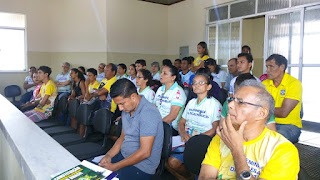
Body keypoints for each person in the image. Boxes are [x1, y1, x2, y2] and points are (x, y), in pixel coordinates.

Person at [199, 80, 300, 180]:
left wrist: (237, 150)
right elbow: (205, 177)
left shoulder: (282, 150)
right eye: (232, 99)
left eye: (240, 102)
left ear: (261, 113)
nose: (230, 105)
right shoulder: (222, 137)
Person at [99, 79, 164, 180]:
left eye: (122, 104)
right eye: (118, 105)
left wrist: (115, 166)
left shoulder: (148, 113)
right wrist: (108, 156)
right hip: (125, 156)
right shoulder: (127, 109)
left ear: (133, 96)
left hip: (142, 166)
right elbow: (122, 138)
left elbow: (145, 152)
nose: (120, 109)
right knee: (97, 173)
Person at [166, 71, 222, 179]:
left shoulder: (214, 104)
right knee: (166, 161)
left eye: (201, 82)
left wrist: (196, 140)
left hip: (201, 143)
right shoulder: (191, 102)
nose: (196, 85)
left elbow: (215, 129)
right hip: (186, 139)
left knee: (173, 162)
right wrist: (182, 133)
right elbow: (181, 122)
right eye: (194, 82)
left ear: (209, 86)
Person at [263, 54, 303, 143]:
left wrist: (262, 109)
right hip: (268, 122)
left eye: (271, 67)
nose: (267, 70)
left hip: (289, 125)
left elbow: (283, 112)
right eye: (267, 67)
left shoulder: (294, 84)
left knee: (273, 141)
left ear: (282, 67)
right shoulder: (264, 84)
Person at [154, 65, 186, 133]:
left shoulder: (178, 92)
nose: (161, 75)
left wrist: (156, 126)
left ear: (173, 77)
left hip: (169, 126)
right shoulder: (160, 89)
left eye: (164, 73)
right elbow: (153, 107)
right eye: (161, 72)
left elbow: (172, 116)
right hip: (156, 121)